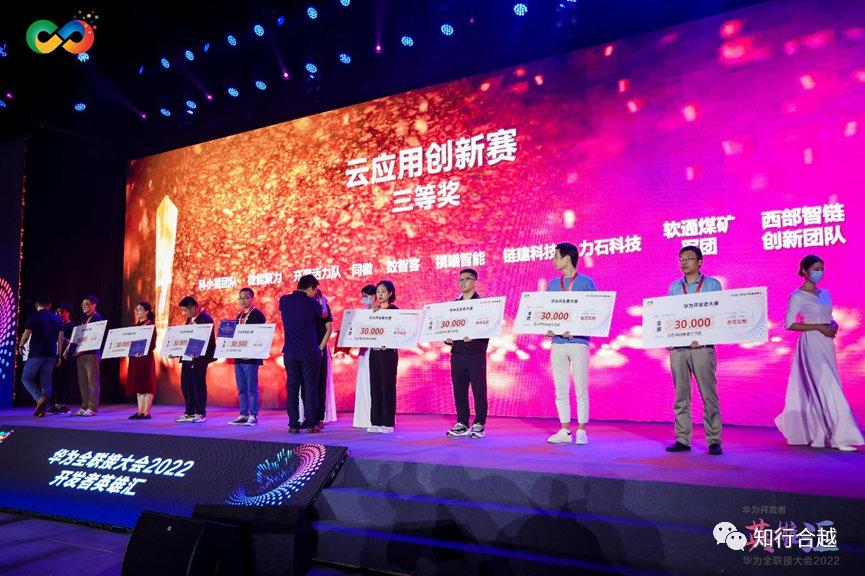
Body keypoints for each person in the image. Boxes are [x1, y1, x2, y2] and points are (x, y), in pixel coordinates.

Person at [775, 255, 863, 451]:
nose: (820, 272)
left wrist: (832, 324)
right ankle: (838, 438)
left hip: (827, 343)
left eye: (822, 268)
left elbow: (827, 316)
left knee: (827, 385)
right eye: (816, 269)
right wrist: (818, 327)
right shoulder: (797, 296)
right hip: (811, 343)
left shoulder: (825, 293)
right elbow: (789, 324)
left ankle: (821, 435)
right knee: (826, 387)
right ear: (804, 271)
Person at [665, 245, 724, 455]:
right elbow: (669, 316)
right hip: (678, 348)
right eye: (681, 258)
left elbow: (718, 314)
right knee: (680, 396)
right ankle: (682, 439)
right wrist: (667, 338)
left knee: (708, 395)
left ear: (699, 262)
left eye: (689, 258)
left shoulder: (712, 285)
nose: (684, 262)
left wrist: (704, 336)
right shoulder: (674, 287)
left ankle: (714, 440)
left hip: (702, 346)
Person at [545, 243, 596, 445]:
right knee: (560, 388)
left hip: (579, 341)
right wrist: (548, 327)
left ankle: (582, 430)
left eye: (556, 256)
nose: (553, 260)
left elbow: (593, 313)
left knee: (581, 387)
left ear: (567, 258)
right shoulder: (552, 285)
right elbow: (547, 312)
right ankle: (564, 430)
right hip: (557, 342)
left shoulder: (586, 283)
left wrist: (576, 329)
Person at [445, 269, 489, 439]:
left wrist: (475, 336)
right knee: (459, 389)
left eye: (466, 279)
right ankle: (462, 422)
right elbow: (448, 327)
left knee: (479, 390)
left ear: (475, 282)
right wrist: (448, 337)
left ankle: (479, 423)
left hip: (475, 353)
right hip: (458, 353)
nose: (462, 283)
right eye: (460, 280)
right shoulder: (454, 306)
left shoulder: (483, 305)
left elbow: (488, 328)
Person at [280, 275, 324, 434]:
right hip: (309, 352)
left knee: (292, 389)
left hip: (290, 352)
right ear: (311, 288)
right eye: (315, 290)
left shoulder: (284, 300)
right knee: (310, 388)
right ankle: (312, 424)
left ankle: (293, 425)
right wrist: (322, 301)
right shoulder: (312, 303)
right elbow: (323, 314)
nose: (315, 293)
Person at [18, 295, 63, 417]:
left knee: (26, 378)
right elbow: (60, 338)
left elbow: (26, 334)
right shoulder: (57, 319)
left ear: (36, 305)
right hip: (51, 354)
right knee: (46, 382)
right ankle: (42, 408)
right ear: (50, 305)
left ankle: (39, 398)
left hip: (36, 353)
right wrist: (59, 355)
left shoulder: (33, 317)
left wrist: (21, 345)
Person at [229, 287, 266, 426]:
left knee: (252, 389)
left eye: (246, 297)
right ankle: (243, 414)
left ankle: (253, 415)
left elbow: (260, 336)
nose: (243, 300)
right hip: (238, 357)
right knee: (241, 389)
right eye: (240, 298)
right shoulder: (239, 316)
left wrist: (250, 351)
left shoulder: (258, 315)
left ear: (252, 298)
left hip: (251, 358)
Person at [175, 296, 215, 423]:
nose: (185, 313)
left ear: (194, 308)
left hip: (199, 359)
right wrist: (175, 350)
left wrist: (198, 352)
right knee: (186, 385)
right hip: (187, 357)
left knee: (198, 385)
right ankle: (189, 412)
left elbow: (208, 340)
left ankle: (200, 412)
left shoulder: (205, 319)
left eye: (186, 310)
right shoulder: (190, 319)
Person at [301, 287, 336, 428]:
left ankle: (319, 418)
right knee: (306, 385)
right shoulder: (305, 309)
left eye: (317, 296)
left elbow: (329, 329)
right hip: (306, 351)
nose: (314, 298)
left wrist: (321, 347)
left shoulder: (324, 309)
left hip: (320, 350)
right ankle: (308, 417)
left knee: (320, 384)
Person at [367, 280, 399, 434]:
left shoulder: (394, 311)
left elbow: (399, 331)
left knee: (387, 387)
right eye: (378, 291)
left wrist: (390, 343)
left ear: (390, 293)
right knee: (375, 386)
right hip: (374, 351)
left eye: (383, 291)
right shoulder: (374, 311)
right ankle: (376, 421)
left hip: (388, 353)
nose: (379, 294)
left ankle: (388, 423)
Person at [65, 295, 102, 416]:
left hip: (91, 353)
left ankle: (92, 408)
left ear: (94, 305)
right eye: (82, 304)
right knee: (82, 383)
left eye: (86, 304)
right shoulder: (82, 318)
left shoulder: (96, 318)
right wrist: (68, 348)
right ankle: (84, 406)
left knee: (93, 382)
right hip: (80, 354)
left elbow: (95, 336)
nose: (84, 307)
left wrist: (82, 350)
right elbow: (77, 335)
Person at [352, 285, 377, 429]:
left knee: (374, 383)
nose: (364, 299)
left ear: (374, 296)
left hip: (375, 352)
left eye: (366, 296)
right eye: (363, 296)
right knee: (363, 381)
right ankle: (363, 418)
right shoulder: (361, 314)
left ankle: (376, 417)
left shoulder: (381, 312)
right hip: (363, 351)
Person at [127, 302, 157, 420]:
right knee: (138, 384)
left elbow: (152, 344)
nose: (137, 312)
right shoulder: (135, 327)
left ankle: (146, 412)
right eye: (136, 309)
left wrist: (143, 352)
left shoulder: (150, 326)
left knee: (146, 384)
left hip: (145, 358)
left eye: (140, 309)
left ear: (147, 311)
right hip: (135, 358)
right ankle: (140, 411)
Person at [46, 303, 75, 415]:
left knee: (65, 381)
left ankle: (66, 405)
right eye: (56, 311)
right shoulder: (56, 325)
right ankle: (57, 404)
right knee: (56, 381)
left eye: (61, 312)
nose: (57, 314)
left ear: (67, 313)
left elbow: (74, 341)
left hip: (66, 357)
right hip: (55, 356)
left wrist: (62, 339)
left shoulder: (71, 326)